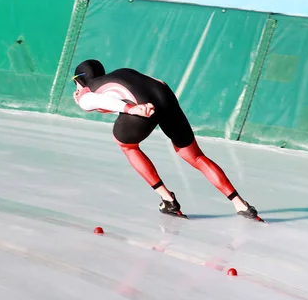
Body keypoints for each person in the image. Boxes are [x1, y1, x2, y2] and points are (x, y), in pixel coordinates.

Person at [71, 59, 260, 221]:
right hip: (165, 96)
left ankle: (167, 199)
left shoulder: (88, 93)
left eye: (75, 83)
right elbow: (159, 82)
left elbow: (93, 102)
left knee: (126, 145)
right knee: (194, 156)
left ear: (80, 80)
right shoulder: (122, 73)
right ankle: (241, 204)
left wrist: (131, 109)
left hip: (140, 107)